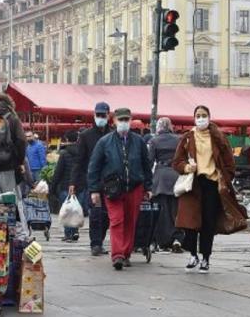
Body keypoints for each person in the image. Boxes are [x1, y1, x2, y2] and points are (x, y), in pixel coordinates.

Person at [172, 106, 239, 273]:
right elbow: (176, 162)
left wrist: (224, 178)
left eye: (203, 115)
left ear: (209, 117)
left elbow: (229, 163)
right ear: (193, 118)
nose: (200, 118)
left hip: (212, 184)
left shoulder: (218, 137)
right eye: (198, 116)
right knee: (190, 223)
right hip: (192, 184)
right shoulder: (187, 137)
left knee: (208, 224)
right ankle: (193, 255)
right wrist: (187, 167)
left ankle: (205, 258)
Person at [87, 108, 152, 271]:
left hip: (135, 187)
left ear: (130, 120)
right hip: (113, 188)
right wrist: (94, 190)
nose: (123, 123)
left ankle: (126, 253)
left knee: (131, 221)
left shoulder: (139, 141)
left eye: (126, 119)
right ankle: (117, 255)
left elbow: (146, 165)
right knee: (116, 220)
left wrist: (148, 187)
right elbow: (94, 166)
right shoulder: (105, 142)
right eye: (120, 119)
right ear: (114, 121)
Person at [72, 102, 112, 257]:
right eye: (98, 115)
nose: (100, 118)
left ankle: (99, 241)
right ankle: (95, 244)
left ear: (108, 116)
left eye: (103, 115)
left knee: (107, 215)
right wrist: (73, 182)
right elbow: (79, 160)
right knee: (95, 214)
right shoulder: (86, 136)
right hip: (93, 181)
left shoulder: (113, 134)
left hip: (110, 182)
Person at [148, 117, 183, 252]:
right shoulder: (179, 140)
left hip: (160, 178)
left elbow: (150, 161)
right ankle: (177, 239)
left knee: (161, 211)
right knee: (176, 211)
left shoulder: (154, 141)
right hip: (176, 176)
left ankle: (159, 239)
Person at [52, 131, 82, 242]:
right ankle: (75, 231)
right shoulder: (81, 152)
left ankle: (68, 234)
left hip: (65, 185)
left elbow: (58, 172)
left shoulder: (64, 154)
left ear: (67, 140)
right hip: (79, 185)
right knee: (75, 209)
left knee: (66, 210)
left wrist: (53, 186)